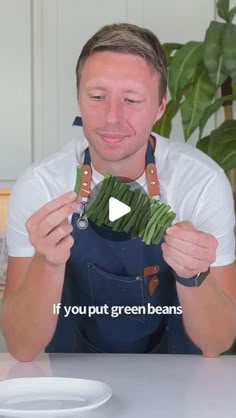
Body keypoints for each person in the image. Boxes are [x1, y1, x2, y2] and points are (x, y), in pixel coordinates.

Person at [0, 23, 235, 361]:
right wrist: (46, 263)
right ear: (79, 98)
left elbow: (218, 342)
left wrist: (193, 275)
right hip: (72, 390)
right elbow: (22, 348)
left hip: (178, 388)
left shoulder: (200, 185)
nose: (112, 117)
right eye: (97, 97)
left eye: (132, 100)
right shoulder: (41, 187)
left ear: (160, 107)